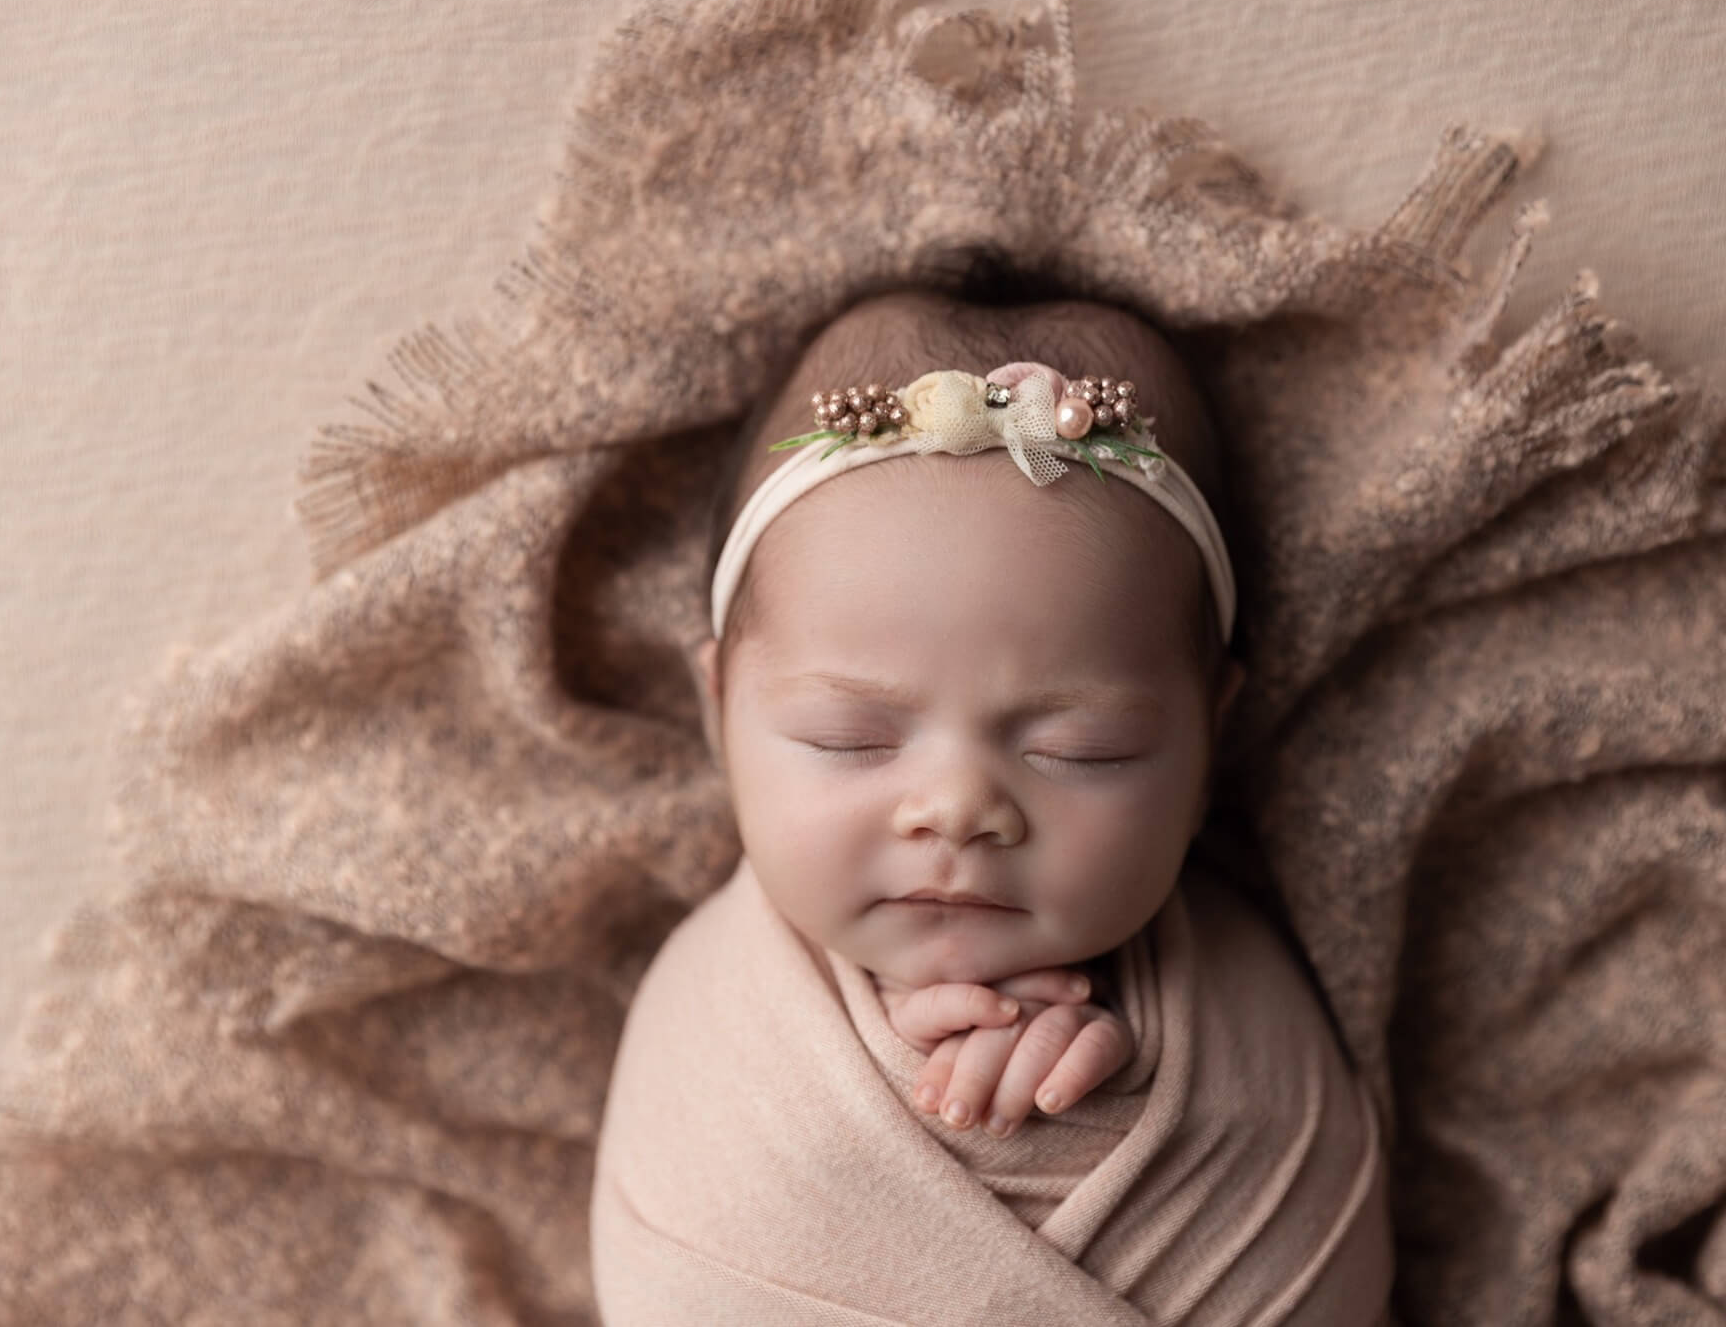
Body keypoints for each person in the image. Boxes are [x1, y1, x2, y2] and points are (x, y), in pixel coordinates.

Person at [590, 284, 1394, 1324]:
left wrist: (1088, 1115)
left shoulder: (1252, 996)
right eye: (851, 739)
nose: (957, 809)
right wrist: (921, 1089)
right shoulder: (711, 1020)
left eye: (1079, 749)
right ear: (717, 712)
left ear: (1208, 746)